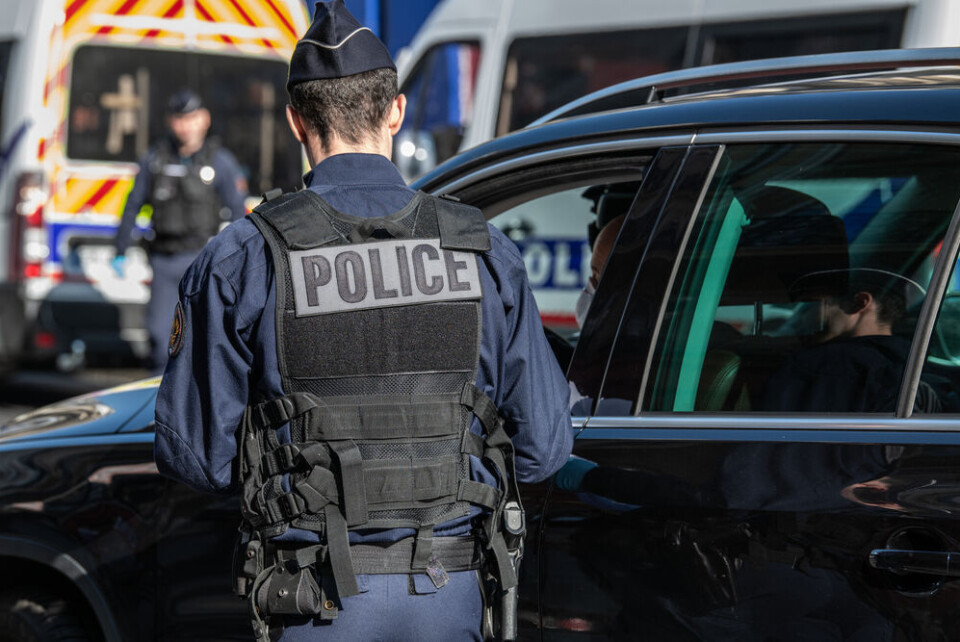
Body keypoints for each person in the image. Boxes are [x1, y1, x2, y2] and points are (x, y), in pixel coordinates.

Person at [152, 2, 572, 640]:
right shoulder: (483, 251)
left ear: (297, 120)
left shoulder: (244, 257)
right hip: (450, 597)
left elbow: (197, 458)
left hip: (313, 603)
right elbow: (543, 451)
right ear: (396, 111)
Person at [113, 89, 247, 373]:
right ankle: (158, 405)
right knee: (161, 337)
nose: (185, 125)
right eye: (179, 118)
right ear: (169, 122)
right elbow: (133, 204)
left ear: (205, 120)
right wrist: (120, 248)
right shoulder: (155, 159)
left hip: (202, 260)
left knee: (203, 338)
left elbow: (237, 211)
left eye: (191, 118)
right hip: (163, 258)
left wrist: (236, 258)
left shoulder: (219, 162)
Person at [760, 267, 937, 413]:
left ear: (859, 303)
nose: (801, 317)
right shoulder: (918, 369)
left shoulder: (815, 367)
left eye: (811, 304)